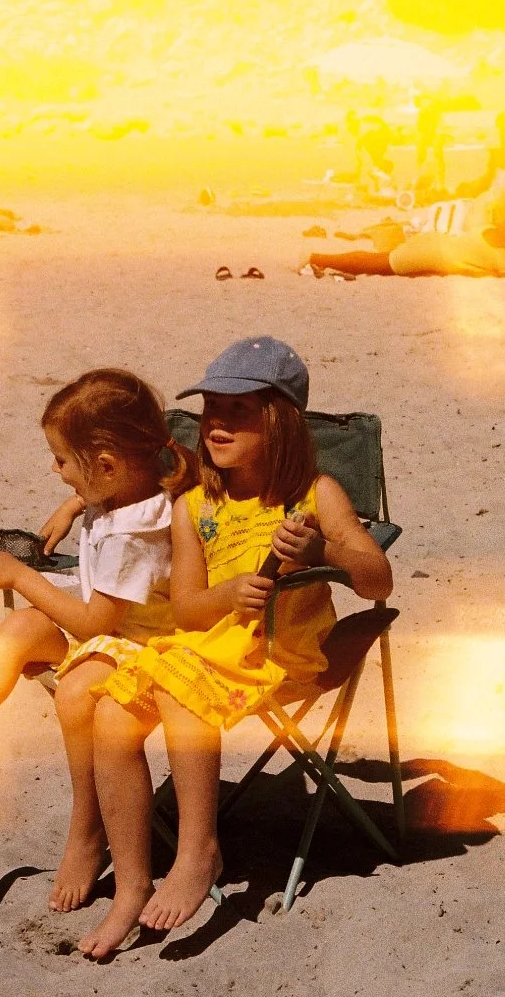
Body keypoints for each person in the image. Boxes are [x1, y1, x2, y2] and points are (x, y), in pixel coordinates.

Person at [78, 337, 393, 958]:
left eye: (238, 410)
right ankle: (132, 884)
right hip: (206, 648)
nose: (216, 423)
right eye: (210, 409)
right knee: (111, 715)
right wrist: (227, 593)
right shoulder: (194, 505)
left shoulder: (315, 495)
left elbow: (378, 580)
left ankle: (198, 851)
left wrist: (322, 554)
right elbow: (188, 606)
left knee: (178, 688)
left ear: (280, 422)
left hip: (282, 658)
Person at [0, 369, 197, 912]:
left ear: (105, 465)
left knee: (77, 682)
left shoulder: (135, 535)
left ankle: (86, 832)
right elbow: (119, 499)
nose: (54, 471)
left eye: (61, 461)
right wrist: (78, 503)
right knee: (19, 629)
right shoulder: (133, 488)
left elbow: (95, 625)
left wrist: (22, 577)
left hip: (148, 654)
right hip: (117, 636)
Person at [302, 211, 505, 278]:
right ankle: (319, 258)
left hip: (432, 240)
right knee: (375, 264)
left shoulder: (486, 230)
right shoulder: (498, 256)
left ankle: (320, 256)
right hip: (429, 254)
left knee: (378, 258)